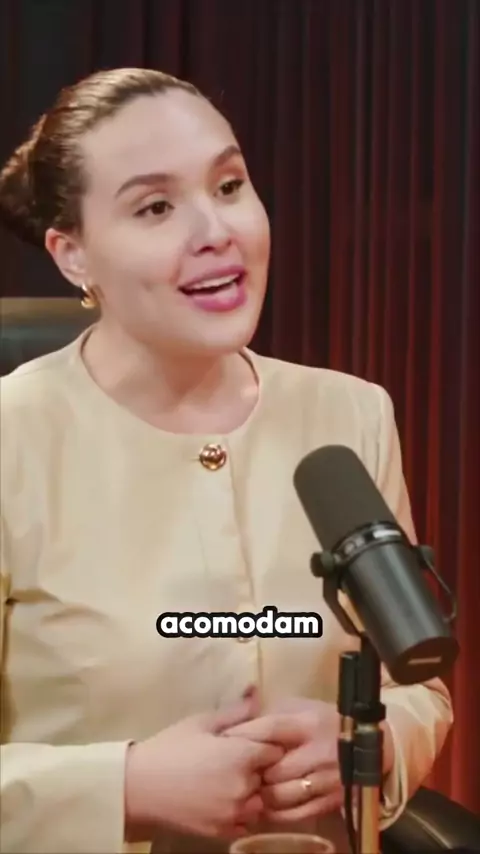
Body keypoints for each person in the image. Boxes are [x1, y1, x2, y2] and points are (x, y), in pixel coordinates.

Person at [0, 68, 453, 854]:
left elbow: (416, 690)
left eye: (230, 185)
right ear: (73, 255)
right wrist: (126, 785)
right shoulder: (15, 437)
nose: (217, 230)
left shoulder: (350, 416)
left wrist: (367, 745)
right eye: (155, 207)